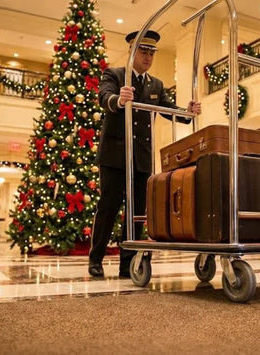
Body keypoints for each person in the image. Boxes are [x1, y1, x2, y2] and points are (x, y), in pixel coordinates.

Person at [89, 30, 202, 278]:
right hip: (115, 156)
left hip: (141, 158)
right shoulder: (115, 74)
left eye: (152, 53)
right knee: (108, 207)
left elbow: (169, 109)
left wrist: (188, 111)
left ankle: (127, 264)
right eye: (144, 51)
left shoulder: (155, 84)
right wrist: (119, 100)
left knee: (137, 210)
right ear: (132, 51)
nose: (148, 56)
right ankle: (96, 258)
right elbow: (104, 97)